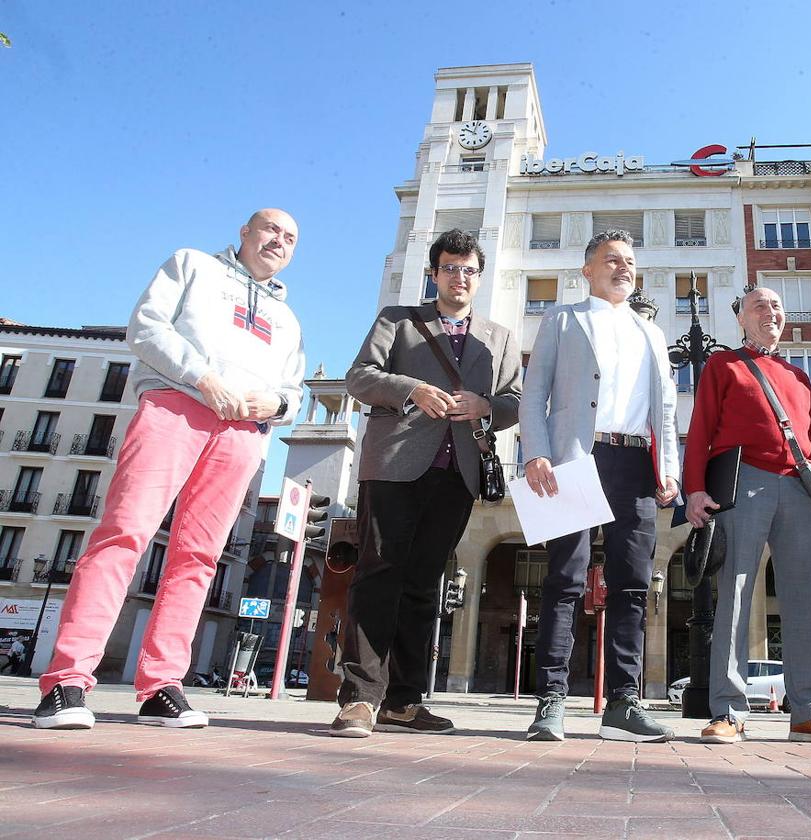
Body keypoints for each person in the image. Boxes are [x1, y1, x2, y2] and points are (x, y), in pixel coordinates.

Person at [34, 210, 305, 730]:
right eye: (270, 229)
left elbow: (292, 391)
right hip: (174, 407)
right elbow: (146, 327)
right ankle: (67, 682)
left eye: (290, 238)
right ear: (244, 233)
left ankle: (162, 686)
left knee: (199, 556)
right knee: (123, 534)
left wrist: (271, 404)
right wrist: (204, 378)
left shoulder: (290, 321)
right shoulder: (192, 265)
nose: (279, 241)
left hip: (242, 435)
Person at [330, 229, 522, 738]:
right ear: (434, 273)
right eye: (450, 268)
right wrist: (411, 387)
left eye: (469, 269)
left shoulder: (500, 337)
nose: (459, 277)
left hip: (457, 473)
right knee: (378, 577)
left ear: (479, 278)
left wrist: (487, 407)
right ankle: (359, 698)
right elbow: (359, 377)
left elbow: (514, 400)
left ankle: (404, 701)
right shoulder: (398, 320)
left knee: (423, 586)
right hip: (393, 465)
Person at [685, 287, 811, 745]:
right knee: (736, 593)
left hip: (800, 489)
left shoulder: (799, 375)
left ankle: (809, 711)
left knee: (804, 597)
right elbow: (700, 429)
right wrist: (694, 489)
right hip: (744, 481)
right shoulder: (722, 366)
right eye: (760, 305)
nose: (772, 312)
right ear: (741, 319)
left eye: (778, 306)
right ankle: (728, 711)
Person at [521, 230, 679, 742]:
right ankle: (551, 701)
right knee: (564, 581)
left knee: (633, 584)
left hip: (635, 464)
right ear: (587, 270)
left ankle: (624, 703)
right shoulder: (561, 319)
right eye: (611, 260)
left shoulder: (651, 333)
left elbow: (667, 408)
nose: (623, 268)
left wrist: (669, 467)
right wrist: (536, 453)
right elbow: (535, 392)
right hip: (574, 460)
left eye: (630, 261)